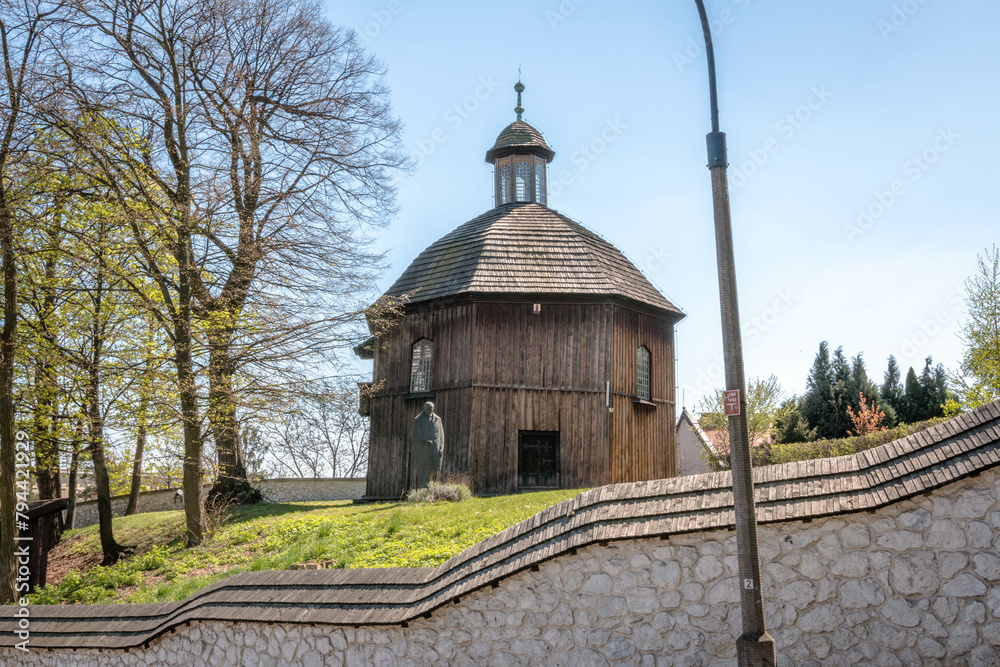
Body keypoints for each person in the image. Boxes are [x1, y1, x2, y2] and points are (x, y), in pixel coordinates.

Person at [411, 401, 444, 489]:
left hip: (436, 450)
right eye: (427, 409)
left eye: (431, 409)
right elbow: (415, 436)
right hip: (424, 450)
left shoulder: (438, 419)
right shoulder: (418, 420)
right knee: (424, 470)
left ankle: (435, 488)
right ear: (424, 409)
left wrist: (441, 448)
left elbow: (441, 435)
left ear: (433, 409)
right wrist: (424, 441)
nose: (429, 411)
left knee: (436, 469)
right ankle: (424, 489)